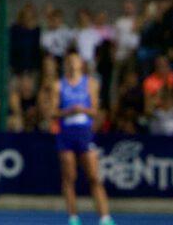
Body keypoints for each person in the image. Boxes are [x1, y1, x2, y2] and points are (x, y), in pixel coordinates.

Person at [51, 50, 115, 225]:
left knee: (94, 176)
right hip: (66, 133)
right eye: (69, 61)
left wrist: (82, 110)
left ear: (81, 64)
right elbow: (53, 112)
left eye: (75, 61)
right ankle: (73, 217)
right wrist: (68, 111)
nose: (72, 64)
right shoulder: (59, 85)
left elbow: (95, 110)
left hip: (84, 133)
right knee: (69, 176)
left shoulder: (90, 84)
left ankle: (105, 217)